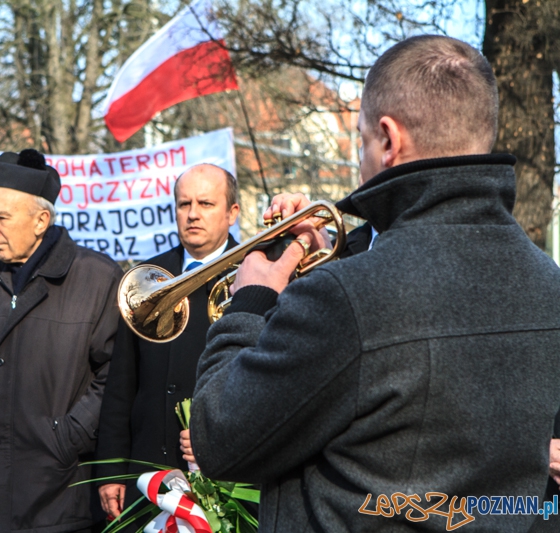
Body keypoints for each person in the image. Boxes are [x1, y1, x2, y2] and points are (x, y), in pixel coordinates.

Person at [186, 35, 560, 532]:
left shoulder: (349, 296)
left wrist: (251, 301)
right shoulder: (545, 280)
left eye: (361, 140)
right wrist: (330, 257)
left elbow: (219, 439)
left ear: (388, 139)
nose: (360, 158)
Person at [0, 148, 123, 533]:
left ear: (41, 220)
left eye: (1, 217)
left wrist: (64, 439)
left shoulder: (97, 278)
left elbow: (114, 375)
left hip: (58, 499)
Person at [94, 163, 239, 520]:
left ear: (232, 213)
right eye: (183, 204)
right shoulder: (146, 279)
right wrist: (111, 470)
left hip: (227, 478)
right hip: (147, 475)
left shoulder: (257, 274)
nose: (192, 214)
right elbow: (121, 384)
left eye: (206, 204)